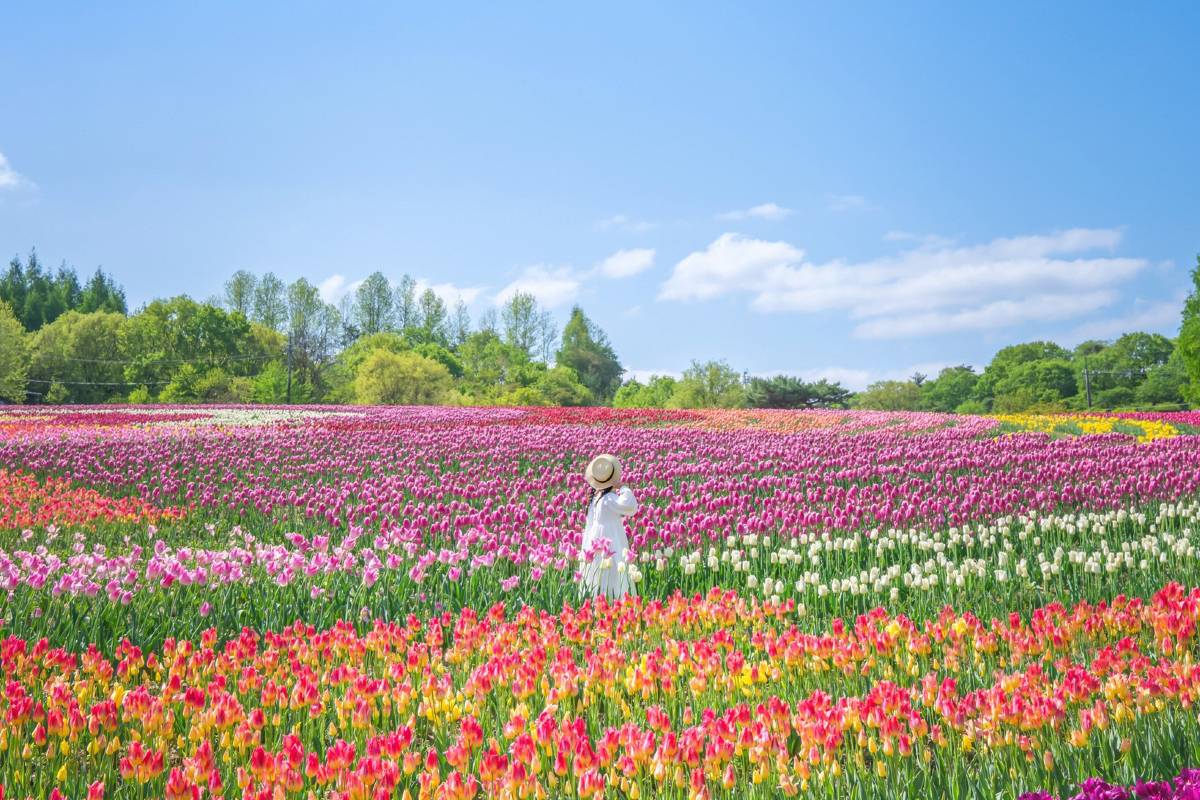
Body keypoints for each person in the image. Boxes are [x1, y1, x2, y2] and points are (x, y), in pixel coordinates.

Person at [579, 453, 638, 600]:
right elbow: (631, 506)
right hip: (611, 539)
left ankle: (597, 600)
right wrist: (623, 488)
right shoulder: (609, 499)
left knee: (598, 571)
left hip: (595, 540)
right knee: (613, 570)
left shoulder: (595, 498)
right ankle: (614, 601)